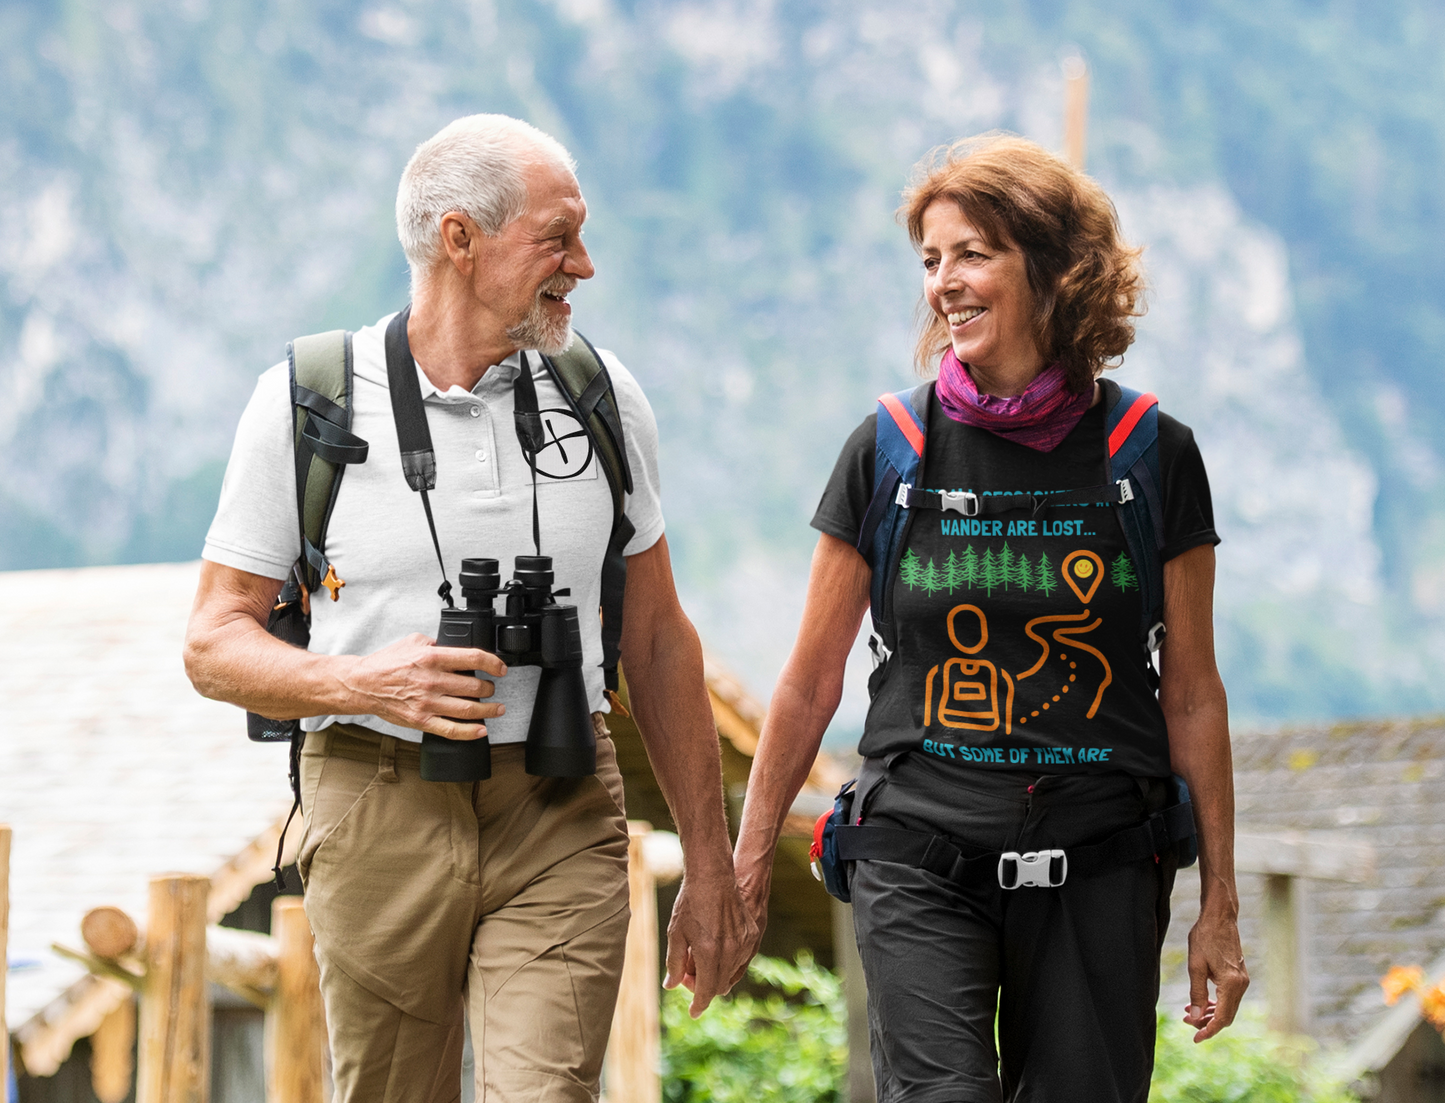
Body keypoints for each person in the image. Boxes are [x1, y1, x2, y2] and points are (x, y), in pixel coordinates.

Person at [185, 114, 754, 1102]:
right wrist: (368, 680)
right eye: (558, 236)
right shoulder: (308, 400)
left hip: (561, 795)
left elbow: (659, 640)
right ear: (459, 238)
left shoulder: (601, 395)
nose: (584, 264)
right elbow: (211, 639)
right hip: (373, 799)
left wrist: (711, 865)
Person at [733, 134, 1248, 1102]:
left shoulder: (1148, 453)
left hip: (1100, 856)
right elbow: (809, 678)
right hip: (916, 849)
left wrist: (1218, 902)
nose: (942, 283)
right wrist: (746, 864)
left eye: (971, 253)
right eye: (929, 260)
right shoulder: (889, 447)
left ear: (1055, 268)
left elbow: (1190, 690)